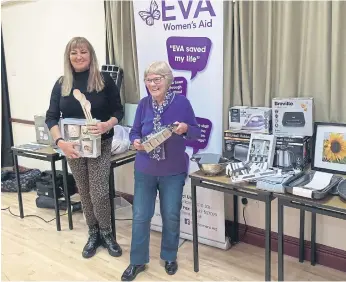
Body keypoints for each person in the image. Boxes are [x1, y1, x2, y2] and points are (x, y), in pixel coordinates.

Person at [121, 61, 201, 281]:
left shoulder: (182, 103)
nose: (153, 83)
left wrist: (185, 129)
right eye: (149, 79)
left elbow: (196, 132)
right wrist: (135, 140)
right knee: (140, 216)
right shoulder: (143, 104)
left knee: (171, 215)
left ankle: (169, 256)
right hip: (145, 169)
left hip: (173, 171)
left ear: (168, 80)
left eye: (158, 79)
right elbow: (134, 131)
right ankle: (137, 261)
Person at [45, 37, 123, 259]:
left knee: (98, 192)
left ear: (91, 55)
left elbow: (118, 112)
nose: (78, 57)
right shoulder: (62, 84)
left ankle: (107, 233)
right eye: (73, 53)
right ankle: (93, 232)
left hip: (100, 144)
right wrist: (61, 143)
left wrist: (108, 124)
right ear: (68, 57)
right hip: (73, 147)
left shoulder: (104, 81)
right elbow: (51, 117)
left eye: (83, 52)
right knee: (85, 192)